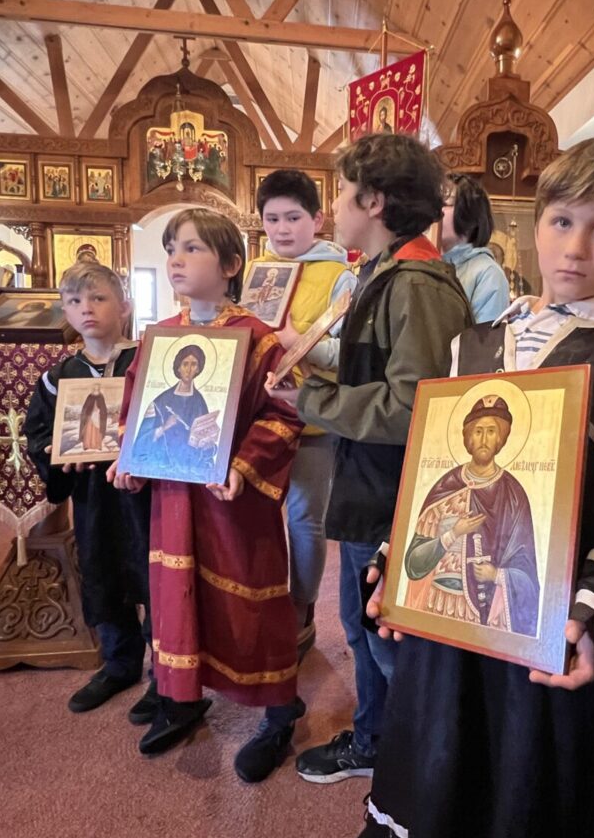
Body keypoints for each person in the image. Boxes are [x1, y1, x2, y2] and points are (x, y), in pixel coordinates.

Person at [358, 135, 594, 838]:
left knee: (531, 790)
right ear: (534, 227)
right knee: (445, 764)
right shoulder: (472, 345)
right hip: (451, 623)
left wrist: (587, 603)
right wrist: (396, 557)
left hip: (549, 630)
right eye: (562, 220)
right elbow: (434, 471)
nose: (576, 247)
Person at [266, 133, 472, 787]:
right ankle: (377, 745)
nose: (335, 205)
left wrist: (314, 402)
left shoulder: (418, 285)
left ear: (374, 199)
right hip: (369, 483)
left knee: (391, 645)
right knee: (359, 626)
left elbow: (417, 409)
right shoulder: (384, 274)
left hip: (396, 495)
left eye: (341, 192)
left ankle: (412, 794)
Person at [111, 208, 305, 784]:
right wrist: (130, 458)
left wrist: (246, 465)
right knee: (177, 593)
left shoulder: (260, 339)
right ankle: (182, 693)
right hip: (175, 498)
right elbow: (136, 409)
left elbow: (285, 414)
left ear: (230, 265)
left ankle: (278, 711)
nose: (176, 257)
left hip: (233, 502)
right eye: (172, 247)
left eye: (192, 248)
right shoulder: (160, 336)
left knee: (251, 602)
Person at [24, 262, 155, 720]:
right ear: (65, 311)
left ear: (124, 306)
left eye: (98, 298)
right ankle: (119, 662)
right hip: (94, 498)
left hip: (144, 495)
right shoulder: (59, 376)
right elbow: (37, 433)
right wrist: (60, 454)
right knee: (102, 570)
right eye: (76, 301)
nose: (87, 309)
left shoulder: (146, 361)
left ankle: (165, 675)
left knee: (153, 573)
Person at [255, 168, 358, 658]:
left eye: (293, 217)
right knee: (254, 510)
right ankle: (261, 600)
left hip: (313, 416)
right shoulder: (258, 272)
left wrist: (302, 345)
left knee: (303, 518)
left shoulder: (341, 275)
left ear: (317, 219)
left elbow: (349, 353)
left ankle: (303, 605)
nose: (282, 229)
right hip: (259, 412)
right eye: (272, 218)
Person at [401, 395, 539, 634]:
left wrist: (497, 575)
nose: (484, 439)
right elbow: (413, 563)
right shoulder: (445, 488)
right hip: (437, 605)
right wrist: (453, 534)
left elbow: (526, 569)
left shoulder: (514, 495)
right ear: (467, 437)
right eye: (477, 431)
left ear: (502, 439)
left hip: (488, 613)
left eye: (492, 431)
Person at [128, 344, 217, 480]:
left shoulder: (199, 401)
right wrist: (164, 427)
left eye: (193, 365)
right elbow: (140, 442)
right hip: (163, 469)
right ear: (178, 368)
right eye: (185, 364)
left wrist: (207, 442)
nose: (188, 369)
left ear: (198, 369)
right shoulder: (160, 401)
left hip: (191, 470)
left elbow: (205, 445)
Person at [439, 172, 508, 323]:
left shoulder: (488, 274)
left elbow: (483, 343)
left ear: (470, 215)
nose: (436, 212)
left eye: (445, 204)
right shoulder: (429, 263)